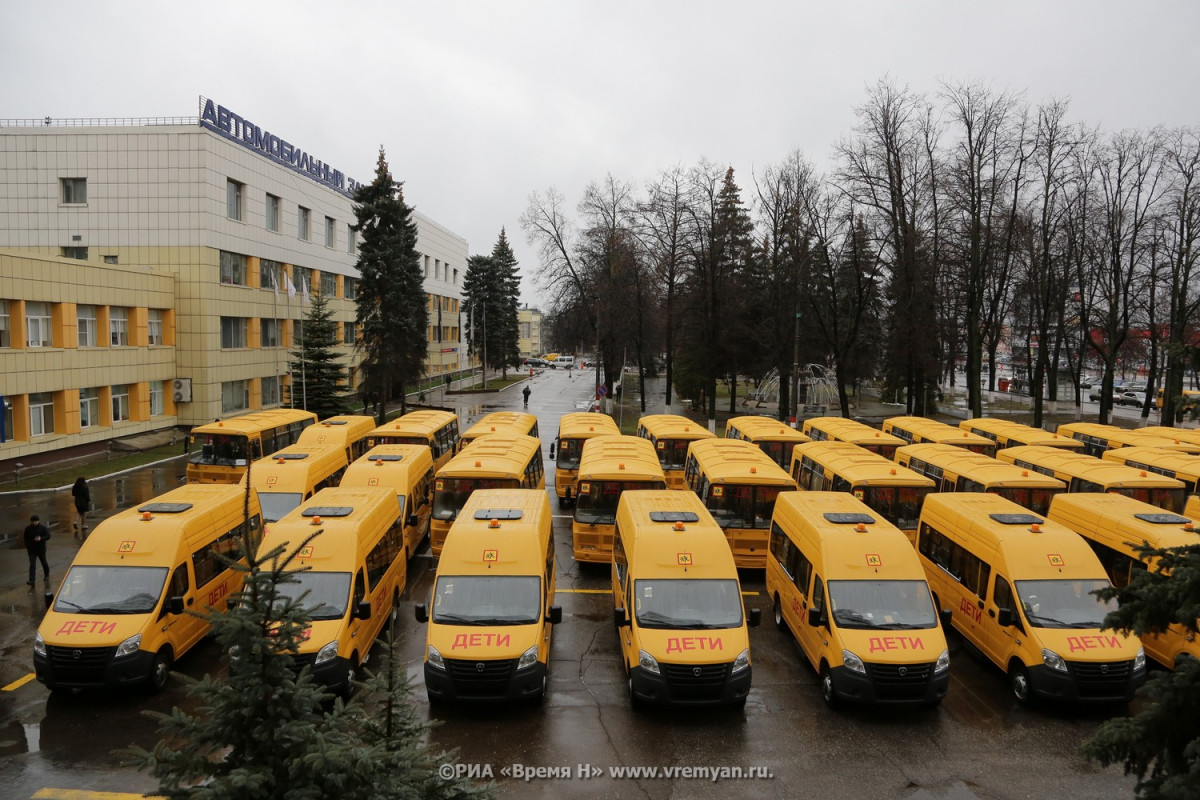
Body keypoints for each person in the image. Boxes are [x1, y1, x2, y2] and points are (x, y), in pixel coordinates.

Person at [24, 514, 50, 587]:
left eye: (36, 521)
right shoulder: (28, 529)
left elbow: (48, 536)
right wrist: (28, 547)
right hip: (32, 550)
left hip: (41, 549)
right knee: (32, 565)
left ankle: (46, 574)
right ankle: (32, 580)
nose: (34, 522)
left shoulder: (43, 528)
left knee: (44, 562)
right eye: (33, 521)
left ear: (38, 521)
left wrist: (41, 539)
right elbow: (26, 539)